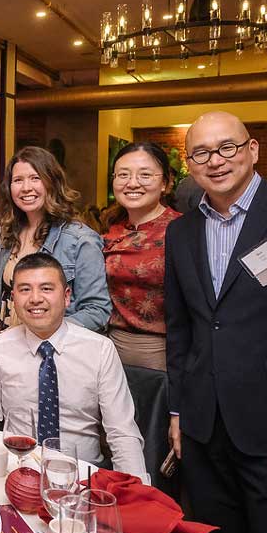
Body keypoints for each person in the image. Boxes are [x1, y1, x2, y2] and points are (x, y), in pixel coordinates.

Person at [165, 111, 267, 533]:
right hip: (203, 428)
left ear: (252, 149)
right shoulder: (181, 232)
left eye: (227, 147)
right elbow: (180, 330)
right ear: (190, 164)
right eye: (202, 152)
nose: (216, 161)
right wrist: (178, 413)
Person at [0, 253, 146, 477]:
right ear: (13, 298)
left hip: (84, 474)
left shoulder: (99, 349)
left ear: (66, 296)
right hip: (19, 470)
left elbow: (122, 433)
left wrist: (136, 492)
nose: (35, 298)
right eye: (25, 290)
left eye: (46, 288)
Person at [0, 146, 111, 331]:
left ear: (52, 182)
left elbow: (97, 310)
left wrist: (47, 333)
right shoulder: (8, 235)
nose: (26, 188)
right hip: (11, 349)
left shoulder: (80, 239)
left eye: (35, 178)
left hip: (54, 352)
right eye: (18, 180)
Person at [102, 142, 181, 370]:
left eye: (145, 175)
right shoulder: (111, 229)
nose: (132, 183)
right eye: (123, 175)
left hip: (163, 357)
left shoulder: (181, 230)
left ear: (165, 183)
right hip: (110, 352)